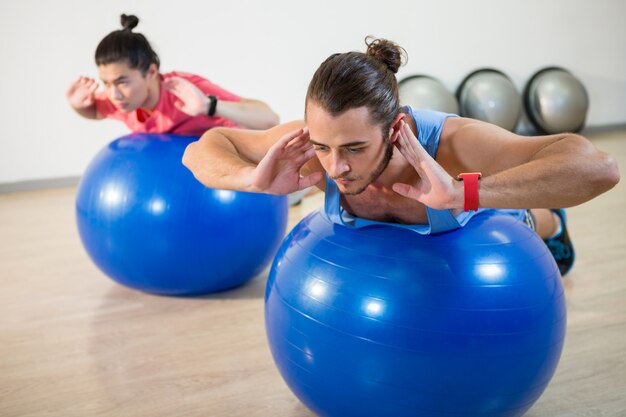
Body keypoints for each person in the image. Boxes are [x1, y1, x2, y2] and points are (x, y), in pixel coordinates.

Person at [182, 37, 620, 276]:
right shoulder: (310, 148)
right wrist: (251, 180)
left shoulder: (454, 145)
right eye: (323, 146)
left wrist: (466, 192)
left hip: (498, 233)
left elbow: (600, 167)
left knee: (529, 218)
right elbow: (202, 149)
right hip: (400, 279)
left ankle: (551, 221)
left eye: (355, 148)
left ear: (395, 130)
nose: (335, 168)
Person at [66, 14, 279, 135]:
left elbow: (270, 119)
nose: (113, 95)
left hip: (241, 161)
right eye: (106, 83)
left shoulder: (184, 89)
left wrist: (208, 105)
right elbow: (95, 111)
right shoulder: (121, 99)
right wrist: (77, 105)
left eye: (122, 82)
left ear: (150, 72)